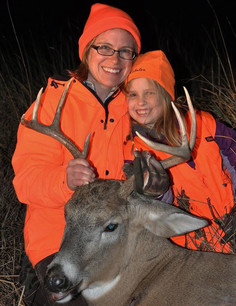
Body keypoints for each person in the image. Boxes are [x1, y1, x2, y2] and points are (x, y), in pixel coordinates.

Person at [12, 3, 141, 305]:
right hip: (59, 241)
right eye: (104, 47)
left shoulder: (140, 109)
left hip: (118, 244)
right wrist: (63, 179)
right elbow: (25, 183)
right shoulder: (50, 105)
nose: (115, 59)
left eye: (126, 51)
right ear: (87, 51)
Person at [123, 50, 236, 254]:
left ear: (167, 95)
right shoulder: (135, 154)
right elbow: (157, 219)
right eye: (133, 94)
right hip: (193, 251)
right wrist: (156, 193)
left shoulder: (204, 125)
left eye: (150, 92)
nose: (140, 102)